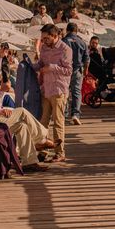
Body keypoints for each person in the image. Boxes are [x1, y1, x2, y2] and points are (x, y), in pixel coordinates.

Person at [0, 71, 52, 172]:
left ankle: (29, 162)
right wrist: (2, 91)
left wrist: (2, 109)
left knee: (22, 126)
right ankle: (41, 138)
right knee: (22, 111)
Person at [35, 23, 73, 163]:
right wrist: (31, 66)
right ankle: (43, 151)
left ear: (55, 36)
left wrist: (52, 67)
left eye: (46, 38)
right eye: (42, 39)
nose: (43, 41)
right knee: (43, 122)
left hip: (59, 89)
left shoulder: (65, 49)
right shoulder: (44, 48)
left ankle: (59, 153)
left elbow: (68, 71)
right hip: (46, 89)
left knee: (58, 122)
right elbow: (41, 63)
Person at [62, 23, 89, 125]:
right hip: (77, 70)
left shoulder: (63, 41)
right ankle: (75, 114)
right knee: (76, 92)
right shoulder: (82, 42)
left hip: (64, 71)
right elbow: (87, 59)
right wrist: (85, 70)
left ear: (67, 30)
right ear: (76, 31)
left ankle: (63, 115)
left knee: (65, 92)